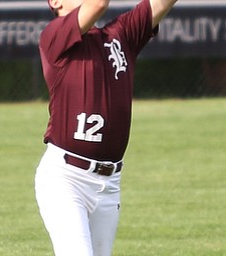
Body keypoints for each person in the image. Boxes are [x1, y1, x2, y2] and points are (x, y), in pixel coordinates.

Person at [34, 0, 177, 255]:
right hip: (66, 179)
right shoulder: (54, 35)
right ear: (55, 2)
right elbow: (98, 4)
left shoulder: (120, 35)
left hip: (109, 184)